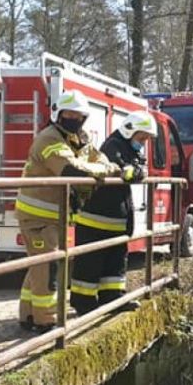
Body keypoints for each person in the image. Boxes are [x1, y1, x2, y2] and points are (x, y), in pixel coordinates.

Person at [15, 89, 121, 333]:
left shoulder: (79, 138)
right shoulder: (49, 139)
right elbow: (72, 170)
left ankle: (29, 314)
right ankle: (46, 321)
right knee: (49, 268)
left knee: (40, 267)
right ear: (58, 114)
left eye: (78, 115)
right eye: (68, 114)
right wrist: (107, 170)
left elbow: (100, 159)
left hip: (57, 216)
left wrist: (104, 167)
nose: (73, 118)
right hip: (38, 217)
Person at [69, 111, 156, 314]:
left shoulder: (129, 149)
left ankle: (113, 299)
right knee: (89, 264)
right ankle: (84, 303)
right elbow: (123, 171)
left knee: (115, 263)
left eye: (145, 139)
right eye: (141, 138)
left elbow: (138, 169)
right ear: (129, 131)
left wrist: (138, 170)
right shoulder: (112, 146)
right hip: (95, 220)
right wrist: (134, 171)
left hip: (114, 220)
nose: (142, 143)